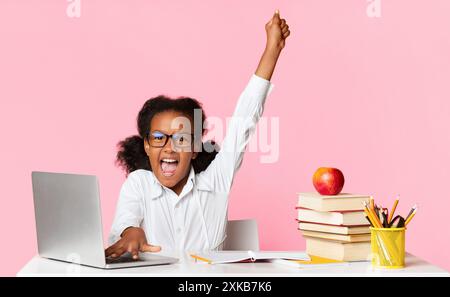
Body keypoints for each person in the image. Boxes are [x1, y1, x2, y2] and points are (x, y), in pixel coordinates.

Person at [106, 10, 290, 259]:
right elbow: (126, 221)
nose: (169, 147)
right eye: (159, 137)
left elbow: (243, 122)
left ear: (194, 148)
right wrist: (130, 233)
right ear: (147, 145)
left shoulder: (216, 182)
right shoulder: (139, 183)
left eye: (181, 139)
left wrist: (272, 49)